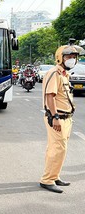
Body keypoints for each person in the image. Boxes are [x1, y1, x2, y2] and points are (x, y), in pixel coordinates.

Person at [40, 45, 79, 193]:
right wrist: (55, 117)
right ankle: (47, 180)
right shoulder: (54, 73)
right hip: (58, 118)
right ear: (60, 58)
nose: (72, 60)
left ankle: (54, 176)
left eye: (74, 57)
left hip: (66, 118)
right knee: (57, 149)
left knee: (58, 149)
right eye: (68, 57)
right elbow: (50, 96)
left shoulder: (64, 74)